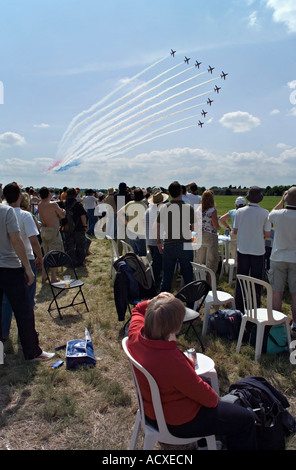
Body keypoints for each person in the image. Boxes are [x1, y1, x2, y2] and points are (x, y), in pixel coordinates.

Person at [127, 292, 257, 450]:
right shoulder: (171, 360)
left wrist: (155, 301)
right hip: (177, 423)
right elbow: (210, 399)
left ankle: (204, 443)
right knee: (246, 419)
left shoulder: (135, 336)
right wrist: (216, 397)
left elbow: (137, 310)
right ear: (174, 328)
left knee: (208, 383)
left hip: (150, 410)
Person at [0, 193, 55, 361]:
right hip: (9, 268)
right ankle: (32, 351)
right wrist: (27, 268)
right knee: (24, 311)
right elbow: (16, 240)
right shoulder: (6, 211)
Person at [1, 183, 43, 340]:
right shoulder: (25, 215)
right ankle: (26, 334)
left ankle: (3, 334)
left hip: (5, 261)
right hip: (25, 258)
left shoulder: (3, 213)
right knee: (27, 301)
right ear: (19, 196)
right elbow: (33, 240)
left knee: (6, 302)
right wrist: (40, 257)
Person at [233, 186, 271, 313]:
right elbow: (267, 234)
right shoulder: (265, 213)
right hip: (258, 250)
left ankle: (239, 307)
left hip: (243, 249)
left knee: (241, 280)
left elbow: (235, 230)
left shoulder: (239, 212)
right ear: (259, 199)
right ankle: (255, 307)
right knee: (257, 281)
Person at [157, 181, 195, 292]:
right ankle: (191, 303)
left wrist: (158, 242)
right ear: (181, 192)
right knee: (188, 276)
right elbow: (193, 228)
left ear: (169, 193)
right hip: (185, 243)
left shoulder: (164, 207)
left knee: (167, 276)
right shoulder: (188, 207)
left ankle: (164, 304)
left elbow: (157, 226)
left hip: (169, 244)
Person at [267, 187, 296, 332]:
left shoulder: (278, 215)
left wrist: (281, 201)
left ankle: (276, 323)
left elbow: (270, 214)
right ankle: (295, 324)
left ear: (285, 200)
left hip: (278, 257)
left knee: (276, 292)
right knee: (295, 293)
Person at [38, 186, 66, 283]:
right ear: (49, 194)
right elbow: (62, 215)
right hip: (53, 231)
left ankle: (44, 275)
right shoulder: (53, 204)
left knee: (46, 254)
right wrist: (63, 211)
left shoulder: (39, 204)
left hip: (44, 230)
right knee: (54, 254)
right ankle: (53, 278)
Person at [146, 190, 168, 291]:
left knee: (156, 261)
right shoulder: (162, 210)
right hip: (159, 240)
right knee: (160, 263)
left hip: (150, 240)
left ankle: (154, 280)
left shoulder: (148, 210)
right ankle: (157, 284)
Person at [196, 190, 220, 277]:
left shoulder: (198, 209)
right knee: (212, 260)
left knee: (201, 258)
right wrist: (219, 227)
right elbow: (215, 226)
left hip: (200, 235)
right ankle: (209, 280)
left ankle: (200, 277)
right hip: (210, 235)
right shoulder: (212, 210)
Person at [117, 187, 147, 256]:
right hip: (140, 232)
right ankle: (141, 266)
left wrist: (126, 223)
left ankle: (135, 265)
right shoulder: (144, 206)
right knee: (142, 254)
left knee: (134, 252)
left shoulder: (130, 204)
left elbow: (119, 213)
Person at [63, 188, 88, 267]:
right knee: (80, 245)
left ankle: (71, 261)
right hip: (78, 228)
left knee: (70, 246)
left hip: (67, 228)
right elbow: (82, 216)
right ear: (75, 195)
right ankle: (79, 261)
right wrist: (85, 225)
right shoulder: (77, 204)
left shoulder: (63, 204)